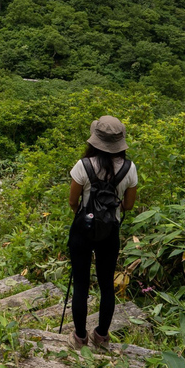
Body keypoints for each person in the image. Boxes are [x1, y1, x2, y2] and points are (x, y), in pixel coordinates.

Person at [67, 115, 138, 349]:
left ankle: (79, 337)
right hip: (110, 232)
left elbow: (72, 202)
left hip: (82, 230)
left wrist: (86, 214)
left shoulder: (83, 166)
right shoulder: (129, 168)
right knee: (107, 283)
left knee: (81, 283)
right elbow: (128, 206)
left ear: (95, 140)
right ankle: (101, 335)